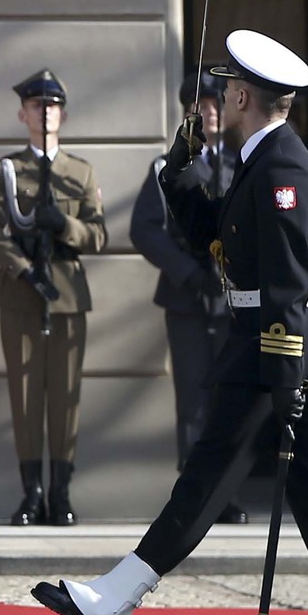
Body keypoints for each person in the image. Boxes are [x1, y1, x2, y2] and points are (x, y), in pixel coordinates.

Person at [35, 30, 308, 615]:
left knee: (204, 478)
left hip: (270, 350)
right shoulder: (260, 156)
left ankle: (115, 597)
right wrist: (180, 177)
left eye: (224, 90)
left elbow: (284, 280)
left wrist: (284, 378)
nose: (216, 100)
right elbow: (217, 242)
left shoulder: (281, 166)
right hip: (267, 345)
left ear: (244, 94)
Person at [0, 69, 108, 526]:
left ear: (63, 114)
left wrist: (64, 226)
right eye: (36, 105)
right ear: (22, 113)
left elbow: (98, 236)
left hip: (67, 295)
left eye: (52, 106)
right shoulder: (9, 170)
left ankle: (60, 492)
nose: (44, 112)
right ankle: (31, 493)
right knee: (26, 396)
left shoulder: (80, 172)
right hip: (21, 294)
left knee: (65, 398)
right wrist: (24, 269)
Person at [131, 72, 247, 524]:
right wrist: (187, 273)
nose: (212, 112)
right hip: (187, 298)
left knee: (230, 397)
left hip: (235, 299)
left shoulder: (243, 163)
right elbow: (144, 229)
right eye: (202, 104)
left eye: (218, 103)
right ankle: (196, 493)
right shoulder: (169, 165)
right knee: (195, 397)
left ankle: (227, 492)